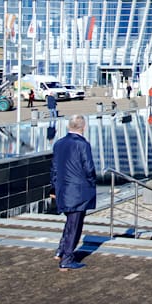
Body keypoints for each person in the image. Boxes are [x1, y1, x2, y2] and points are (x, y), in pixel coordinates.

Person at [51, 115, 97, 270]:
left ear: (68, 126)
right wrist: (92, 183)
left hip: (63, 189)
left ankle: (61, 250)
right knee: (75, 225)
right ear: (83, 127)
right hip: (78, 191)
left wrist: (53, 188)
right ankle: (67, 259)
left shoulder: (59, 143)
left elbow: (54, 168)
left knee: (70, 222)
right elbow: (89, 168)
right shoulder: (83, 144)